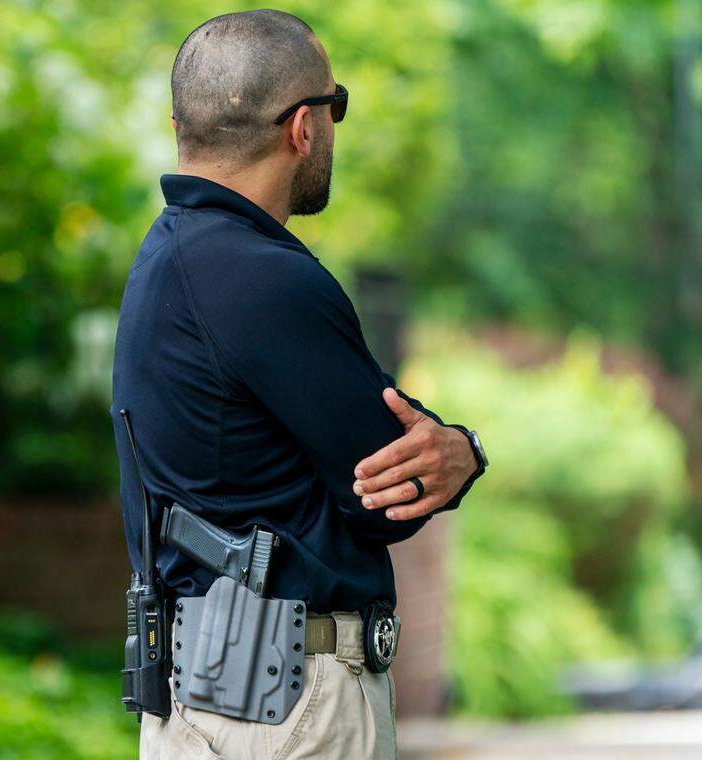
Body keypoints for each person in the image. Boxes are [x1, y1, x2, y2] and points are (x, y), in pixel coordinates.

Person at [109, 10, 487, 759]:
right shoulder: (265, 278)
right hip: (290, 709)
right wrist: (463, 449)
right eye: (335, 105)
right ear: (303, 126)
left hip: (203, 698)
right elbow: (392, 497)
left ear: (183, 125)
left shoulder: (163, 262)